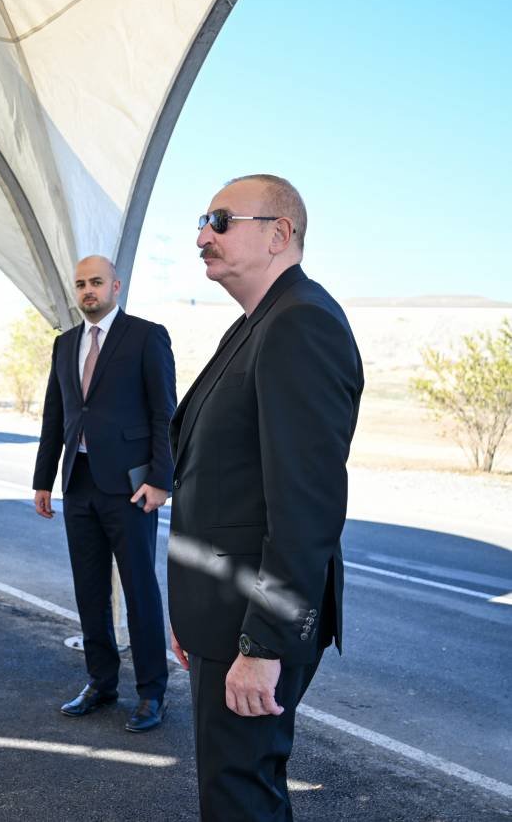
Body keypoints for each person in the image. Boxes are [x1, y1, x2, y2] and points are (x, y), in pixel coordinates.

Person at [168, 175, 363, 820]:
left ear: (279, 234)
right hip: (223, 613)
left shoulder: (300, 325)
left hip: (253, 622)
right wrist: (192, 610)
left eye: (220, 221)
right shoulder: (257, 324)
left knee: (241, 797)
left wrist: (264, 645)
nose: (203, 237)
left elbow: (305, 506)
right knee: (233, 792)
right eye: (203, 222)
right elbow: (221, 485)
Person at [33, 255, 176, 733]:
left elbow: (165, 413)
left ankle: (152, 693)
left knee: (139, 590)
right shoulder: (65, 343)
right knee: (89, 589)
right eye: (80, 284)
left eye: (96, 282)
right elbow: (56, 415)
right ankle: (101, 682)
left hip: (131, 487)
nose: (87, 291)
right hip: (79, 482)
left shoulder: (146, 336)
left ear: (116, 286)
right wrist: (43, 479)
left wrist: (161, 479)